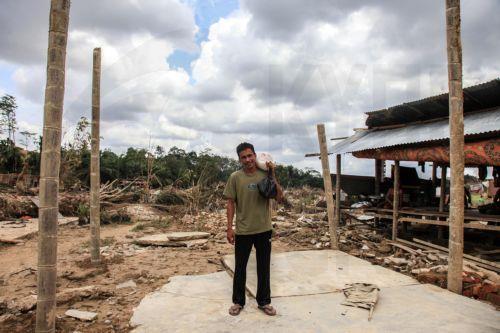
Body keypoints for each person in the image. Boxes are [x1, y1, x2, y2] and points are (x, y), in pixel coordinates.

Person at [223, 142, 284, 317]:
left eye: (250, 155)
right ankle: (238, 302)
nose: (248, 159)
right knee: (240, 268)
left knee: (264, 267)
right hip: (243, 231)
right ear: (239, 159)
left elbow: (279, 197)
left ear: (255, 156)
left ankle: (264, 302)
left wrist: (273, 174)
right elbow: (230, 203)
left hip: (264, 229)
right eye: (244, 157)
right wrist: (229, 227)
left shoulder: (265, 174)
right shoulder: (235, 177)